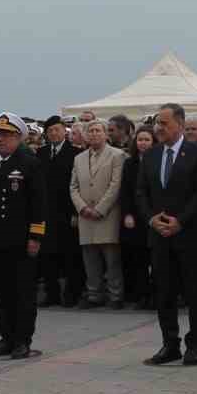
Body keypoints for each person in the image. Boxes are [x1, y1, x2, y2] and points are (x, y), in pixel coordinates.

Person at [137, 102, 197, 365]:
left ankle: (195, 346)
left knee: (195, 292)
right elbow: (141, 191)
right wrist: (151, 218)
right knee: (164, 292)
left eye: (164, 123)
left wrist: (180, 221)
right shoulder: (150, 155)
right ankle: (170, 344)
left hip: (189, 234)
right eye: (157, 123)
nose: (159, 128)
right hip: (159, 235)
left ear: (180, 125)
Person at [0, 112, 48, 358]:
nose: (0, 140)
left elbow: (39, 203)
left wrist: (35, 237)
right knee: (3, 292)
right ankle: (6, 338)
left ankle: (22, 340)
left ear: (19, 137)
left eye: (5, 135)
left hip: (20, 238)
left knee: (23, 292)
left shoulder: (29, 162)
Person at [70, 120, 126, 309]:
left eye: (97, 130)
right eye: (90, 131)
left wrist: (100, 209)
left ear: (105, 134)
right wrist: (82, 208)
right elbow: (73, 187)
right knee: (90, 259)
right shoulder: (79, 158)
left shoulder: (118, 155)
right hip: (85, 215)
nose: (93, 134)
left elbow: (115, 185)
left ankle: (115, 295)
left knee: (112, 259)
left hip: (108, 214)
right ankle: (94, 294)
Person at [37, 116, 82, 307]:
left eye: (57, 129)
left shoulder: (76, 153)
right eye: (50, 131)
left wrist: (75, 212)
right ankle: (51, 293)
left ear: (65, 131)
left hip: (67, 211)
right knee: (48, 255)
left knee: (70, 255)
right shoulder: (40, 153)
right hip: (46, 212)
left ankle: (72, 294)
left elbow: (77, 185)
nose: (54, 133)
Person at [119, 126, 156, 310]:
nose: (143, 143)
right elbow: (125, 191)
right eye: (140, 140)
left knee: (155, 260)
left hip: (154, 215)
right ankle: (142, 295)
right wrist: (127, 214)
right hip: (135, 216)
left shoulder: (158, 160)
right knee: (138, 259)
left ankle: (157, 296)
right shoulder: (129, 163)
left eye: (147, 140)